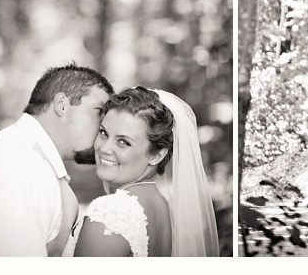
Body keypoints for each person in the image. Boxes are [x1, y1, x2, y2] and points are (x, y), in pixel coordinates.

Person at [65, 86, 219, 257]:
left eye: (123, 142)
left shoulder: (111, 213)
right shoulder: (163, 206)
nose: (104, 148)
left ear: (156, 155)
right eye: (103, 133)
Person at [0, 64, 115, 256]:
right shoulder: (21, 167)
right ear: (62, 105)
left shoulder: (27, 157)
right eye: (99, 111)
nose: (104, 126)